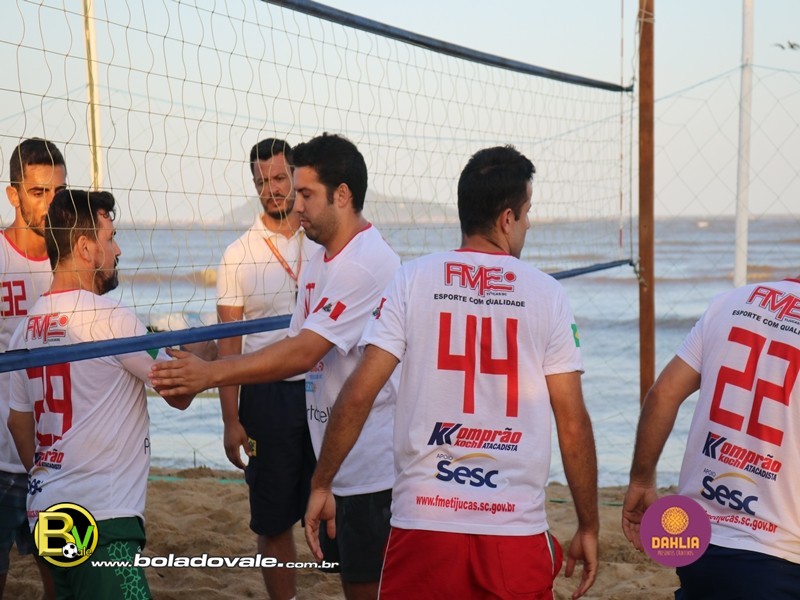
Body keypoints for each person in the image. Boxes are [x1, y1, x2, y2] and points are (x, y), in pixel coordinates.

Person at [304, 145, 599, 600]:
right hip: (512, 526)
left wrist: (323, 481)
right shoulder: (547, 294)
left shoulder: (412, 279)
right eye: (527, 213)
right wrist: (588, 524)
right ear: (507, 219)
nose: (528, 224)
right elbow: (572, 422)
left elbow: (360, 391)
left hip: (424, 520)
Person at [150, 133, 400, 600]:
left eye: (303, 192)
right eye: (269, 183)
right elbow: (276, 340)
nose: (292, 202)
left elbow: (304, 352)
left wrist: (210, 374)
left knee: (367, 578)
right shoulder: (314, 256)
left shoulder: (364, 263)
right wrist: (201, 361)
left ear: (341, 195)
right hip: (303, 416)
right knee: (284, 526)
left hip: (369, 455)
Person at [6, 188, 199, 599]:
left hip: (46, 510)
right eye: (110, 239)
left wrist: (51, 474)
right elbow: (179, 392)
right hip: (101, 519)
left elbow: (18, 422)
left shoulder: (26, 326)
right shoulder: (111, 319)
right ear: (85, 248)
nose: (118, 250)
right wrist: (206, 351)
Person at [623, 278, 800, 599]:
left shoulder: (731, 301)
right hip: (781, 553)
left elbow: (663, 393)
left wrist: (640, 479)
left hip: (698, 541)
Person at [216, 138, 318, 600]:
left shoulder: (321, 241)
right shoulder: (238, 254)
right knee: (273, 520)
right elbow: (229, 346)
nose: (272, 189)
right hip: (267, 396)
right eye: (262, 181)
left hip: (322, 388)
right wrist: (230, 420)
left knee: (339, 508)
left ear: (295, 177)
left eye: (279, 178)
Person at [0, 137, 66, 600]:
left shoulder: (73, 262)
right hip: (2, 453)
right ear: (14, 194)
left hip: (58, 453)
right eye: (38, 192)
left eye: (58, 192)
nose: (50, 203)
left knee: (61, 570)